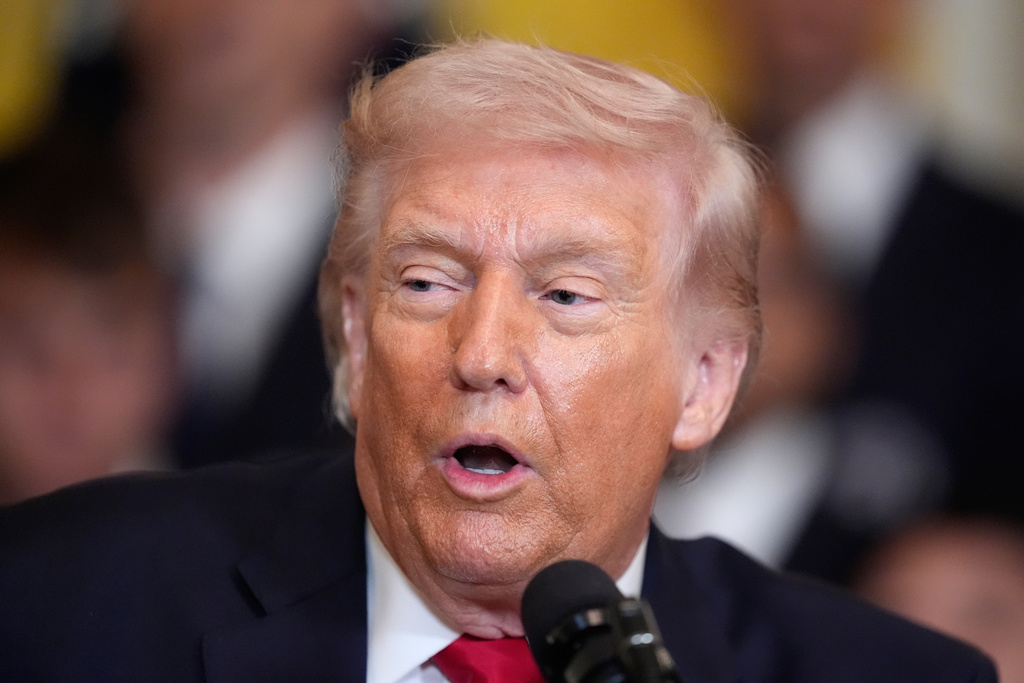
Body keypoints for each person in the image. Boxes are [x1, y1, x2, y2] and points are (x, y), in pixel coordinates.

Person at [0, 39, 995, 682]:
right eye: (428, 283)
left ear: (703, 382)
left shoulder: (891, 674)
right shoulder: (59, 601)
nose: (481, 355)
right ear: (352, 332)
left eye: (565, 297)